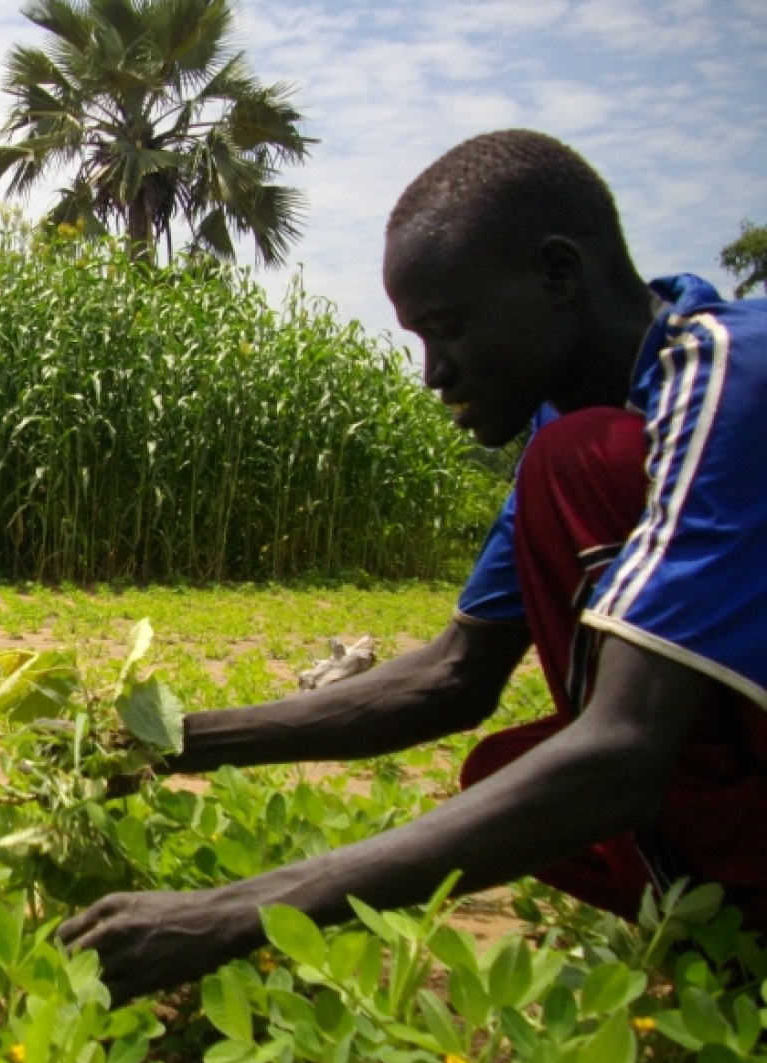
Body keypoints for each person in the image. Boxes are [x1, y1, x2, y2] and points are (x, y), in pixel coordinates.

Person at [59, 129, 767, 1003]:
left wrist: (238, 911)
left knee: (582, 465)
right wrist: (160, 744)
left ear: (556, 275)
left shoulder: (725, 378)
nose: (435, 373)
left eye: (450, 328)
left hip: (650, 742)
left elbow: (624, 748)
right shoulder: (569, 414)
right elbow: (455, 675)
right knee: (507, 771)